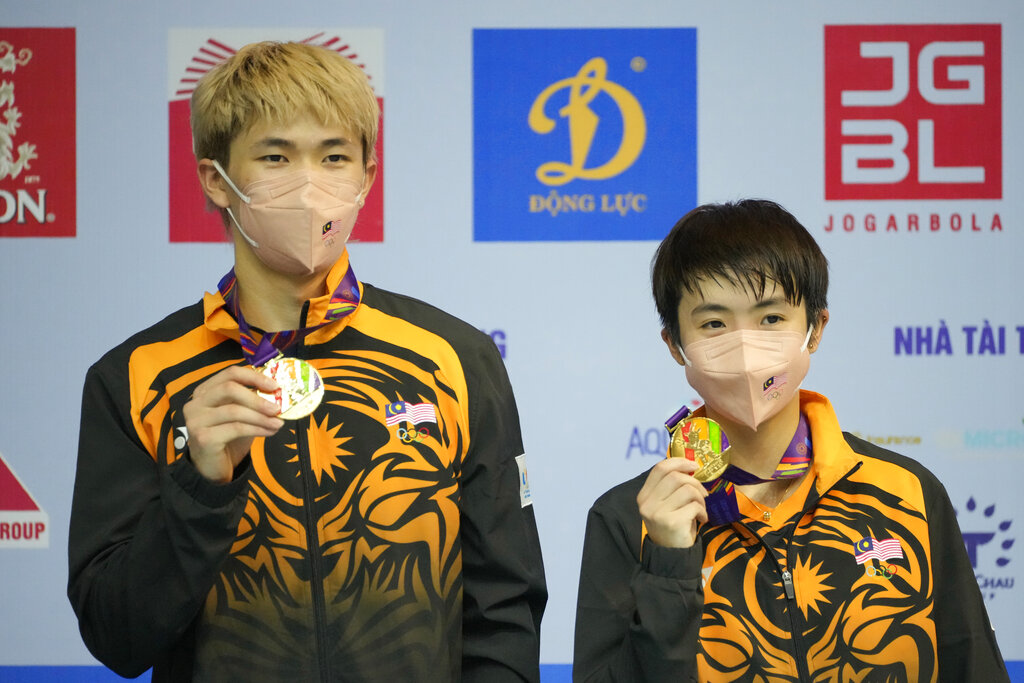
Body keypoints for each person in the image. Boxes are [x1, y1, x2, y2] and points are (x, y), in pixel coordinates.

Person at [68, 41, 546, 682]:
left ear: (366, 178)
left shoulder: (455, 357)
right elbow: (115, 636)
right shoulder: (134, 377)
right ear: (215, 179)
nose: (309, 184)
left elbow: (505, 610)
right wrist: (199, 488)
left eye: (334, 157)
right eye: (276, 156)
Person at [572, 200, 1008, 682]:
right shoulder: (629, 519)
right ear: (675, 345)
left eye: (771, 319)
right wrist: (667, 564)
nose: (746, 348)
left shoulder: (907, 493)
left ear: (815, 329)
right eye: (714, 324)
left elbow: (973, 666)